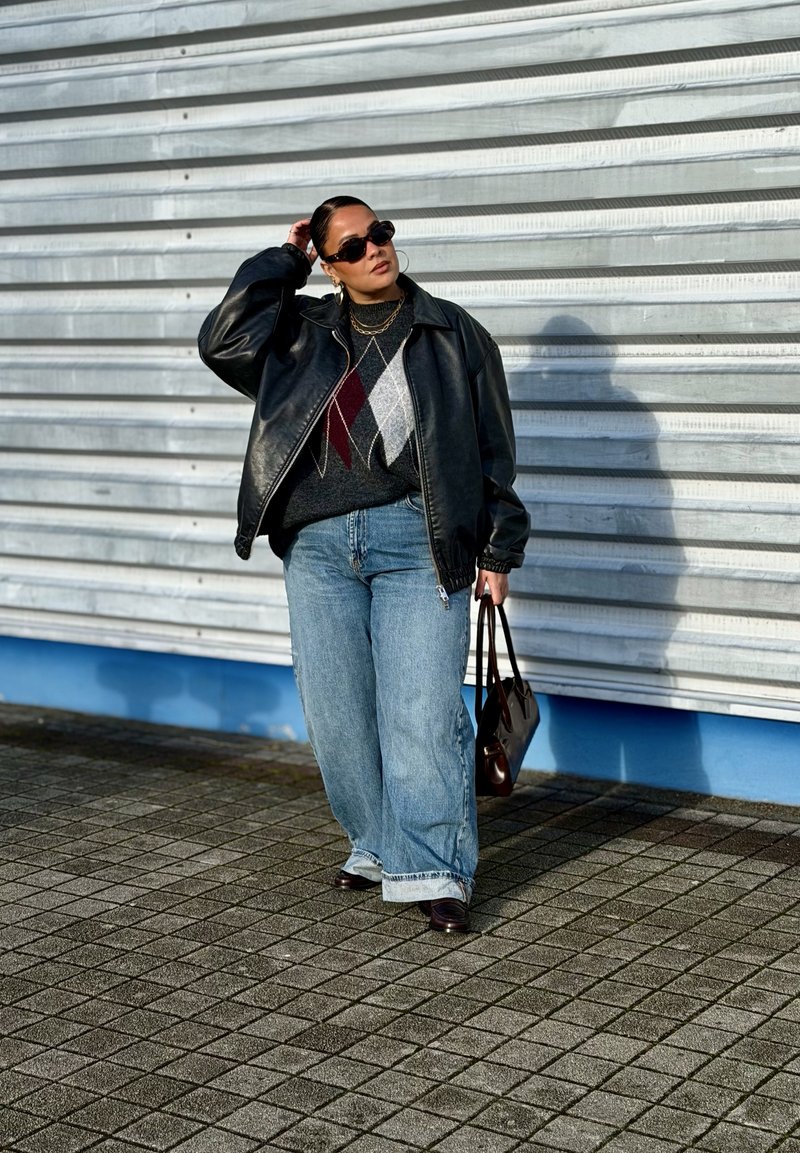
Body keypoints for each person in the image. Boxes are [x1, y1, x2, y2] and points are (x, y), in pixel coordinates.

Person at [198, 196, 529, 933]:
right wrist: (283, 264)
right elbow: (222, 340)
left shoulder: (453, 333)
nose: (374, 249)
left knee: (422, 710)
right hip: (318, 547)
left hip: (418, 536)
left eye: (380, 233)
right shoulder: (301, 334)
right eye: (351, 247)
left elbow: (492, 448)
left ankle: (436, 868)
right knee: (339, 714)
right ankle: (377, 843)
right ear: (331, 264)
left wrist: (499, 548)